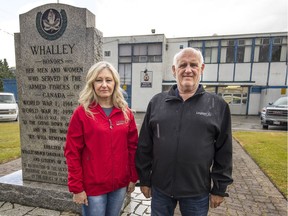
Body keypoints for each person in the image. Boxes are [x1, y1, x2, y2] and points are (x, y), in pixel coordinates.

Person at [135, 47, 233, 216]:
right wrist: (144, 179)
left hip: (196, 191)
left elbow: (224, 151)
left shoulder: (218, 106)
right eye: (182, 65)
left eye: (193, 65)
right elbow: (144, 145)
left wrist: (219, 188)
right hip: (161, 189)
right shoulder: (157, 103)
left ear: (201, 69)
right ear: (174, 70)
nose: (188, 70)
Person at [64, 61, 138, 216]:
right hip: (93, 187)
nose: (104, 85)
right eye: (99, 80)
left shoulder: (126, 113)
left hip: (119, 185)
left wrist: (133, 176)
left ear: (115, 83)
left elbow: (133, 148)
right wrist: (77, 187)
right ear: (92, 83)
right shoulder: (82, 114)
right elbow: (72, 152)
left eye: (108, 80)